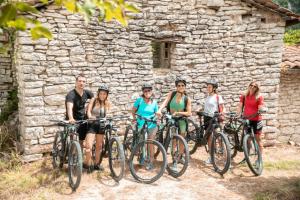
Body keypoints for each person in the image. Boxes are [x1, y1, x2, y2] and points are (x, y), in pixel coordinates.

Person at [157, 76, 192, 167]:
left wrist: (178, 113)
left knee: (181, 140)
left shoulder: (187, 99)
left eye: (182, 85)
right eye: (179, 85)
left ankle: (180, 156)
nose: (181, 87)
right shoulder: (172, 94)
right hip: (172, 120)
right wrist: (159, 110)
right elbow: (165, 103)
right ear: (176, 86)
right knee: (173, 140)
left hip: (182, 121)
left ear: (185, 86)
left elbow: (189, 113)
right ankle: (174, 158)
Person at [84, 84, 111, 172]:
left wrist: (109, 118)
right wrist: (90, 116)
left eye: (104, 94)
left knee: (99, 146)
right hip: (92, 124)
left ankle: (96, 164)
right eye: (101, 93)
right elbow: (88, 111)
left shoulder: (107, 103)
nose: (102, 95)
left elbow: (109, 113)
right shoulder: (94, 100)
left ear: (107, 95)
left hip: (101, 126)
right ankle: (88, 163)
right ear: (98, 93)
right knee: (88, 147)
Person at [132, 82, 158, 170]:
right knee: (141, 141)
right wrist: (134, 118)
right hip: (141, 123)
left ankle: (151, 161)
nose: (147, 92)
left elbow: (157, 113)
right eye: (145, 91)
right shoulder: (139, 100)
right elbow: (133, 110)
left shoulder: (154, 102)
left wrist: (158, 115)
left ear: (151, 91)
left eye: (149, 90)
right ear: (143, 92)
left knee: (150, 142)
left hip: (151, 124)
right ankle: (141, 155)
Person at [65, 74, 94, 148]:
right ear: (76, 82)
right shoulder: (71, 94)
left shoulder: (86, 92)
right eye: (80, 81)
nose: (81, 83)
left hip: (82, 119)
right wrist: (71, 118)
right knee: (73, 141)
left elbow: (94, 98)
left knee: (81, 140)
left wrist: (88, 108)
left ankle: (79, 158)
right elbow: (69, 107)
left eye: (83, 81)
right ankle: (70, 154)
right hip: (72, 120)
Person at [237, 81, 264, 154]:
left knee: (257, 138)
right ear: (249, 86)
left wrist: (261, 109)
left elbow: (260, 107)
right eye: (251, 85)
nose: (252, 87)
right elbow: (240, 106)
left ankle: (260, 158)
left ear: (257, 88)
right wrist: (238, 115)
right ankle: (248, 156)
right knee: (248, 138)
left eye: (255, 86)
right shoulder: (244, 96)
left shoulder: (259, 97)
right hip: (247, 119)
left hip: (256, 120)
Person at [202, 79, 225, 164]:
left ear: (214, 88)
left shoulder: (218, 97)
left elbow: (222, 108)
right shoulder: (207, 97)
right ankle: (211, 157)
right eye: (207, 87)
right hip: (207, 119)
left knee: (219, 137)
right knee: (209, 139)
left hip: (215, 119)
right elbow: (206, 108)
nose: (208, 88)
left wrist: (221, 114)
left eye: (209, 87)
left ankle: (224, 156)